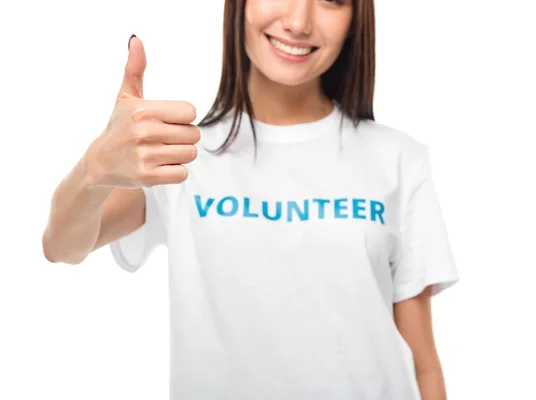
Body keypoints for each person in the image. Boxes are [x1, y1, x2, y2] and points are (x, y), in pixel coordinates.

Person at [42, 0, 460, 399]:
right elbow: (61, 246)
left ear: (357, 18)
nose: (299, 21)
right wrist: (93, 170)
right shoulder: (180, 153)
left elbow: (423, 362)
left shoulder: (399, 160)